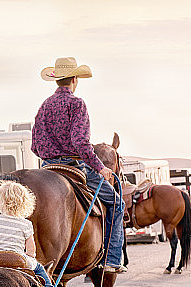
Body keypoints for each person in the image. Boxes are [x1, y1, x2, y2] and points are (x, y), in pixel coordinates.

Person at [31, 57, 127, 274]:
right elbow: (80, 143)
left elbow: (35, 146)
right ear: (74, 79)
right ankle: (111, 260)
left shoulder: (44, 106)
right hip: (74, 167)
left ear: (57, 80)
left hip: (47, 167)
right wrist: (100, 167)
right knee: (117, 203)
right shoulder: (77, 104)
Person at [0, 181, 63, 287]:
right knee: (39, 267)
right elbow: (30, 250)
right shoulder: (26, 224)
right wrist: (31, 255)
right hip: (16, 258)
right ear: (23, 204)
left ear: (1, 204)